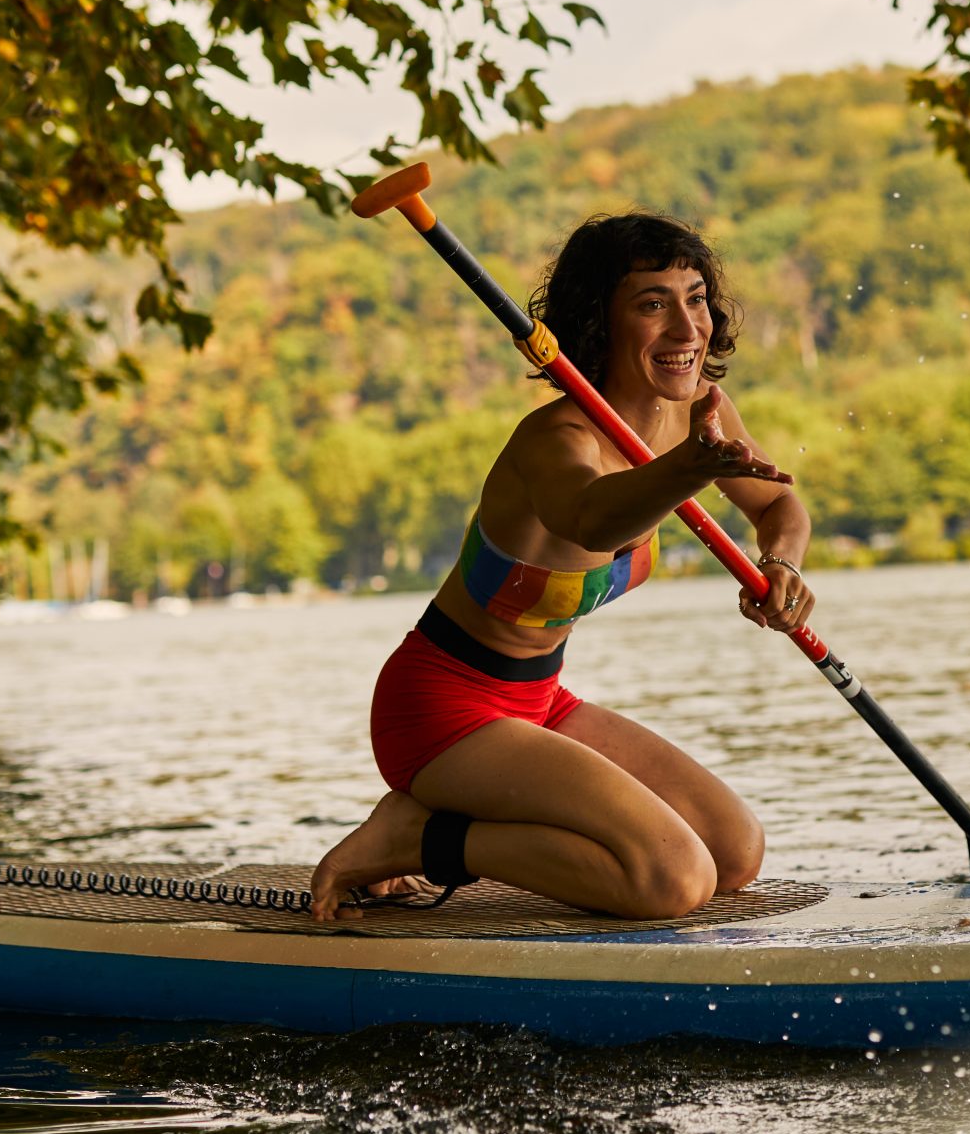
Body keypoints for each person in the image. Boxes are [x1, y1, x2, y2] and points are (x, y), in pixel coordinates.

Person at [307, 212, 816, 922]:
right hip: (440, 711)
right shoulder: (555, 439)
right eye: (652, 304)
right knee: (672, 878)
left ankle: (439, 820)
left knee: (734, 852)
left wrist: (781, 565)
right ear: (599, 322)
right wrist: (688, 470)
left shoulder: (694, 421)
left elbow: (782, 509)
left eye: (696, 297)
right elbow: (595, 519)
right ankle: (418, 834)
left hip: (539, 703)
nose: (686, 327)